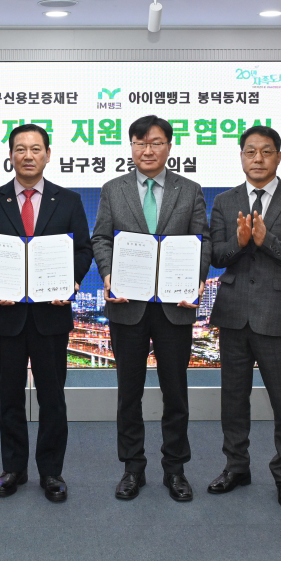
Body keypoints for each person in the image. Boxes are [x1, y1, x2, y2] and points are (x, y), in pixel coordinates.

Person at [0, 123, 93, 503]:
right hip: (6, 317)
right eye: (20, 149)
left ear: (48, 155)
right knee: (9, 396)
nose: (28, 155)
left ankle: (51, 472)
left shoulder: (68, 201)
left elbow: (83, 250)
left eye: (35, 149)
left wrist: (71, 282)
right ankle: (13, 468)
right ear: (10, 155)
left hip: (50, 316)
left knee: (53, 397)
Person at [91, 115, 211, 503]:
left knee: (176, 393)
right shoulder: (113, 189)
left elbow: (202, 241)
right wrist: (108, 274)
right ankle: (132, 468)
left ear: (169, 146)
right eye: (140, 143)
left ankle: (175, 470)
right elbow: (101, 238)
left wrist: (196, 278)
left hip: (175, 307)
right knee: (129, 394)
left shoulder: (190, 190)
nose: (147, 150)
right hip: (129, 306)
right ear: (131, 147)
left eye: (155, 142)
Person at [207, 125, 281, 509]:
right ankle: (236, 466)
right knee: (233, 400)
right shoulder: (224, 202)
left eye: (266, 151)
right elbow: (215, 256)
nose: (258, 158)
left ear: (278, 157)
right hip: (233, 314)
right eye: (250, 151)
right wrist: (239, 243)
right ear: (241, 156)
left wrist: (265, 241)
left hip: (278, 315)